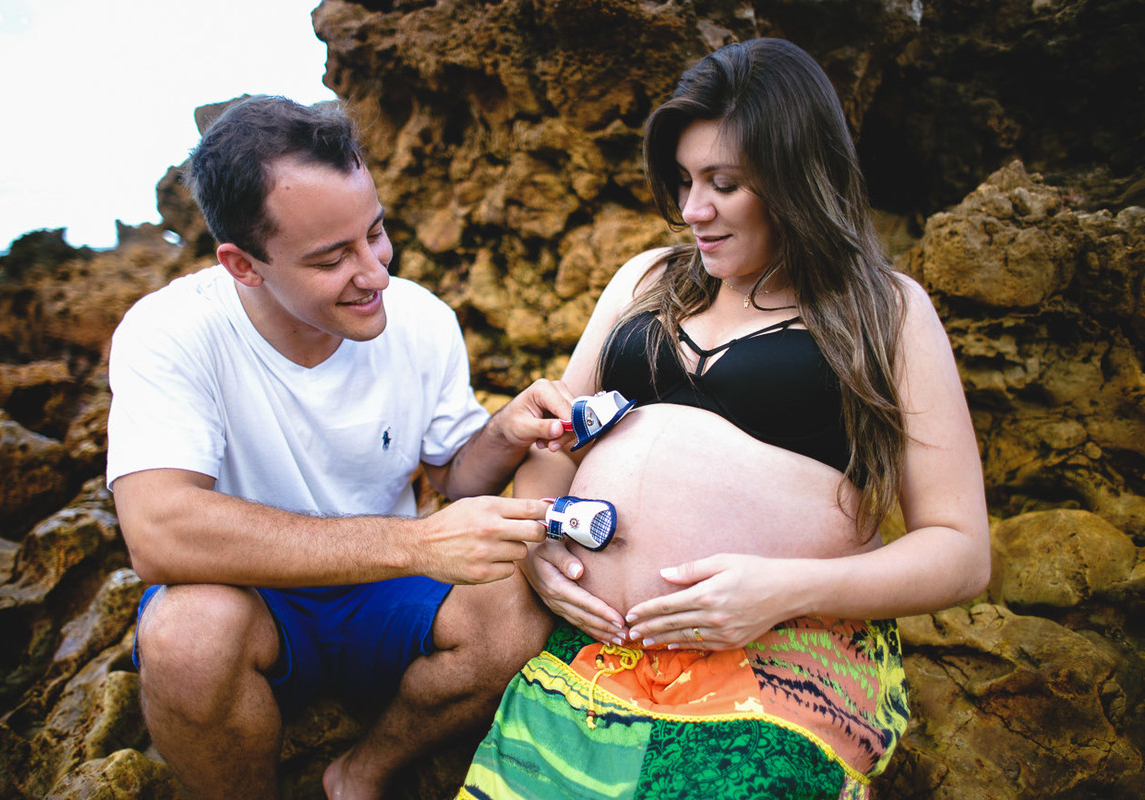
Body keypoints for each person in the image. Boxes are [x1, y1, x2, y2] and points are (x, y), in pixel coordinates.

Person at [457, 38, 990, 799]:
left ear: (797, 176)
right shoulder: (644, 280)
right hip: (601, 651)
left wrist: (781, 590)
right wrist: (539, 545)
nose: (692, 210)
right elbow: (559, 440)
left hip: (783, 654)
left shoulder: (887, 310)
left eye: (725, 183)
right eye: (684, 181)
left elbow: (961, 550)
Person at [106, 95, 573, 800]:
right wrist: (415, 547)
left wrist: (502, 432)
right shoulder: (170, 332)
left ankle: (360, 776)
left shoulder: (420, 319)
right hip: (255, 602)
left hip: (385, 599)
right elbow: (158, 531)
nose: (377, 273)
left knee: (516, 606)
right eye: (333, 258)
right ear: (243, 265)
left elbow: (453, 477)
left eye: (376, 232)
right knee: (186, 637)